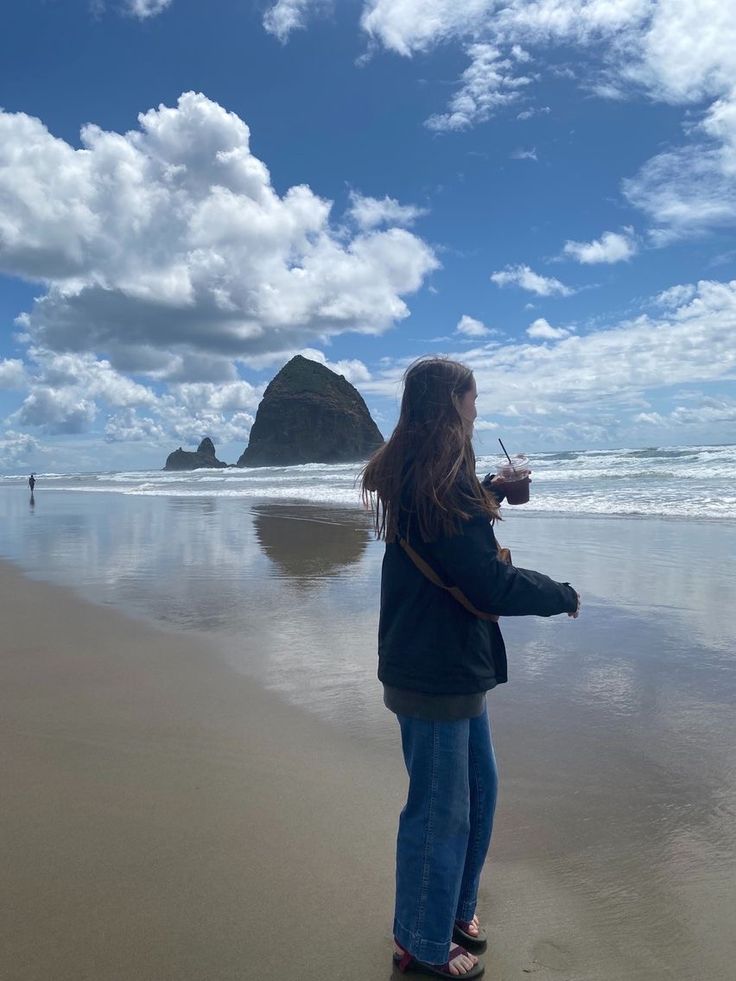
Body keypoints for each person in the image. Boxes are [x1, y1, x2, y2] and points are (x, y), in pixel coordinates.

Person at [361, 357, 580, 979]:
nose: (478, 408)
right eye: (473, 397)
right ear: (451, 403)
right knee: (438, 810)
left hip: (442, 660)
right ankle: (421, 944)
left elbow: (449, 530)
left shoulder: (429, 476)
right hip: (435, 667)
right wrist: (561, 594)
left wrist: (488, 489)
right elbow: (485, 582)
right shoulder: (438, 483)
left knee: (476, 792)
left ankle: (453, 910)